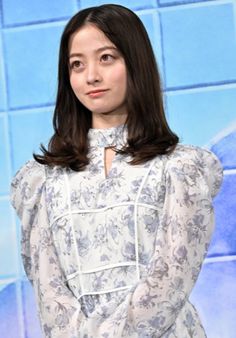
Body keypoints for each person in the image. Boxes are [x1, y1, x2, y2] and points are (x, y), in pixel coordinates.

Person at [11, 4, 223, 338]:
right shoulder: (43, 180)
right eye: (77, 64)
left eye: (106, 58)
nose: (91, 75)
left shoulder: (180, 168)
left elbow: (172, 275)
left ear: (135, 62)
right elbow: (48, 289)